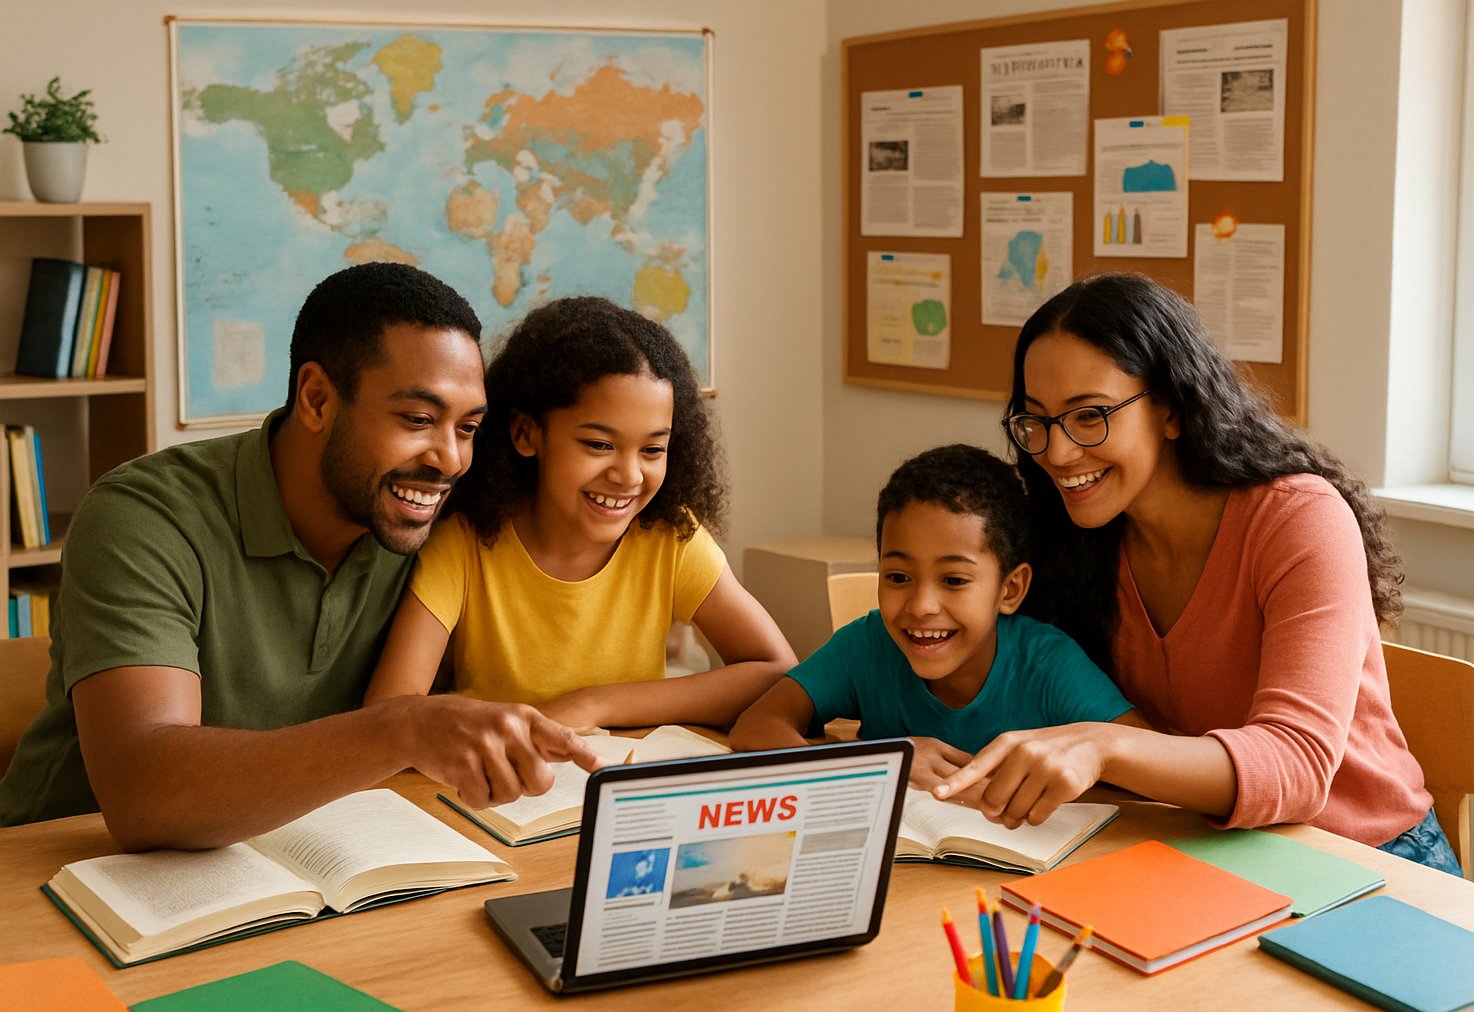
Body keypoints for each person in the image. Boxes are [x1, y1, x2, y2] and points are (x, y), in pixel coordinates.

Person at [0, 263, 598, 851]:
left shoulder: (430, 518)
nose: (450, 460)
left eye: (467, 428)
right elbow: (141, 794)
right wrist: (404, 727)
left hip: (292, 859)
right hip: (64, 871)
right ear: (316, 399)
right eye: (418, 419)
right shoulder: (143, 516)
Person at [933, 273, 1455, 874]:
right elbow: (1000, 672)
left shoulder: (1299, 518)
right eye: (1037, 422)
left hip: (1369, 859)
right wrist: (914, 750)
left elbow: (1298, 766)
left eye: (1089, 416)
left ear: (1172, 410)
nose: (1056, 453)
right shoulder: (1075, 536)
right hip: (1200, 849)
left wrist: (1107, 747)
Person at [363, 296, 795, 729]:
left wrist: (594, 705)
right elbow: (388, 711)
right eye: (599, 445)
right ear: (526, 434)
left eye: (652, 450)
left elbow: (777, 672)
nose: (628, 475)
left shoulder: (671, 538)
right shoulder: (465, 540)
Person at [730, 444, 1143, 791]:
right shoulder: (868, 646)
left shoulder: (1047, 664)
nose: (921, 605)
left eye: (954, 579)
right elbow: (758, 724)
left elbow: (1145, 751)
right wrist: (877, 764)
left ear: (1010, 589)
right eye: (898, 576)